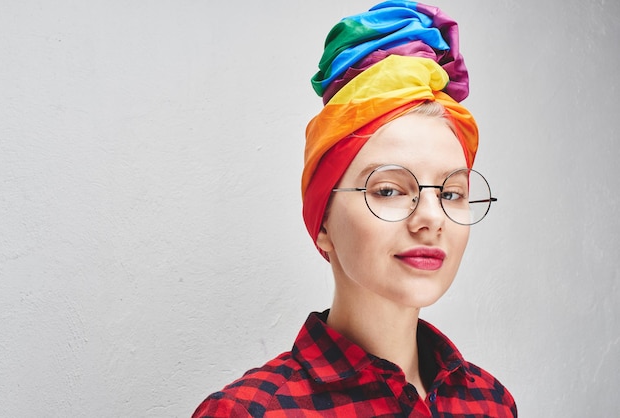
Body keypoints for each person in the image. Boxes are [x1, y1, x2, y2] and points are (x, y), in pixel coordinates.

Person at [193, 1, 517, 416]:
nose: (432, 218)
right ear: (323, 221)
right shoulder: (250, 412)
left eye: (451, 193)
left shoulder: (490, 403)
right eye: (388, 190)